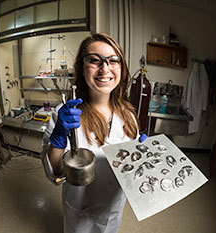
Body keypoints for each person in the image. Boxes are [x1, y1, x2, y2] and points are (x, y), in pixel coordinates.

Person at [41, 33, 147, 233]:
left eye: (113, 60)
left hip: (112, 208)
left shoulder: (129, 116)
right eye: (94, 60)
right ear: (82, 68)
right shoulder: (65, 114)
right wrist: (58, 139)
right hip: (79, 209)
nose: (105, 68)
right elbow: (54, 173)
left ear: (121, 68)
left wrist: (144, 155)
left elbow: (130, 169)